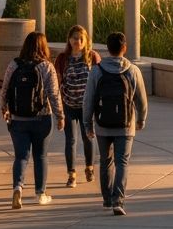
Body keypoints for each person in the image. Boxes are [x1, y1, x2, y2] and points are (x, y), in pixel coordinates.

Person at [84, 31, 148, 216]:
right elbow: (141, 99)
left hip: (103, 125)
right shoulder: (133, 70)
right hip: (126, 125)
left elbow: (88, 100)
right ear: (124, 48)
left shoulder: (97, 70)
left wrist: (88, 124)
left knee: (106, 161)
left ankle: (107, 198)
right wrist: (141, 119)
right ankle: (118, 200)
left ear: (107, 49)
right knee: (122, 162)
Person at [0, 30, 65, 209]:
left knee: (21, 156)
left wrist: (4, 108)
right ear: (44, 47)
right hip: (41, 118)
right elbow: (53, 94)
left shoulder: (14, 64)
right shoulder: (46, 66)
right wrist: (60, 116)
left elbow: (5, 89)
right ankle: (40, 193)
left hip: (18, 119)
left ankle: (17, 189)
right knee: (40, 155)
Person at [54, 24, 101, 187]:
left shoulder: (93, 57)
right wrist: (58, 107)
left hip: (86, 106)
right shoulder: (62, 59)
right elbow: (57, 82)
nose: (78, 41)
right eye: (75, 38)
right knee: (70, 140)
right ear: (69, 39)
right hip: (68, 104)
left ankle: (89, 167)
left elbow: (99, 82)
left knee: (88, 137)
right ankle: (71, 174)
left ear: (86, 41)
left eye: (81, 38)